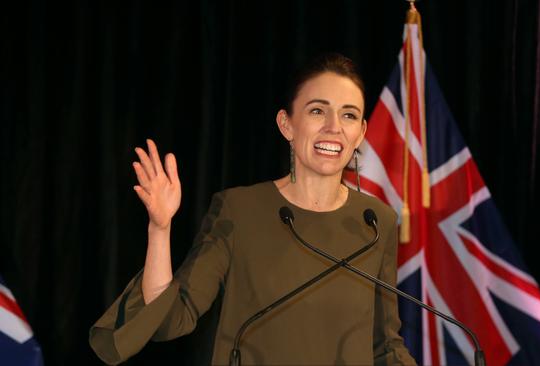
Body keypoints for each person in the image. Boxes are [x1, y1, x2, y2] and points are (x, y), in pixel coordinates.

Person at [89, 53, 416, 365]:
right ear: (286, 125)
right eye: (318, 111)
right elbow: (171, 318)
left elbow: (385, 346)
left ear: (360, 134)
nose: (334, 127)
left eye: (349, 114)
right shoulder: (238, 211)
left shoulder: (375, 223)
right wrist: (160, 229)